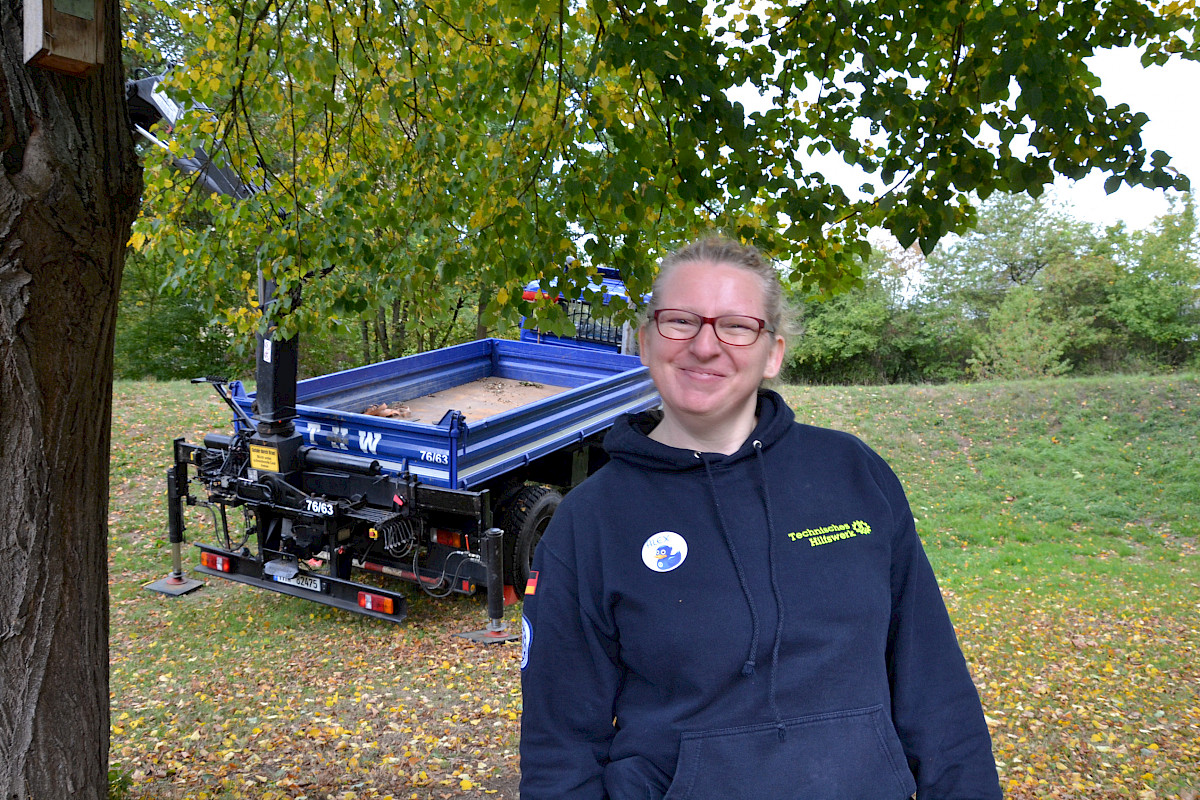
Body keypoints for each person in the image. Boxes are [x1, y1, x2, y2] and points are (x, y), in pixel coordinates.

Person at [519, 237, 1002, 800]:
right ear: (647, 341)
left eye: (736, 326)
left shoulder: (853, 474)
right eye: (680, 321)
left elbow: (937, 692)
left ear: (772, 351)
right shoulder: (592, 520)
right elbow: (560, 751)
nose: (705, 346)